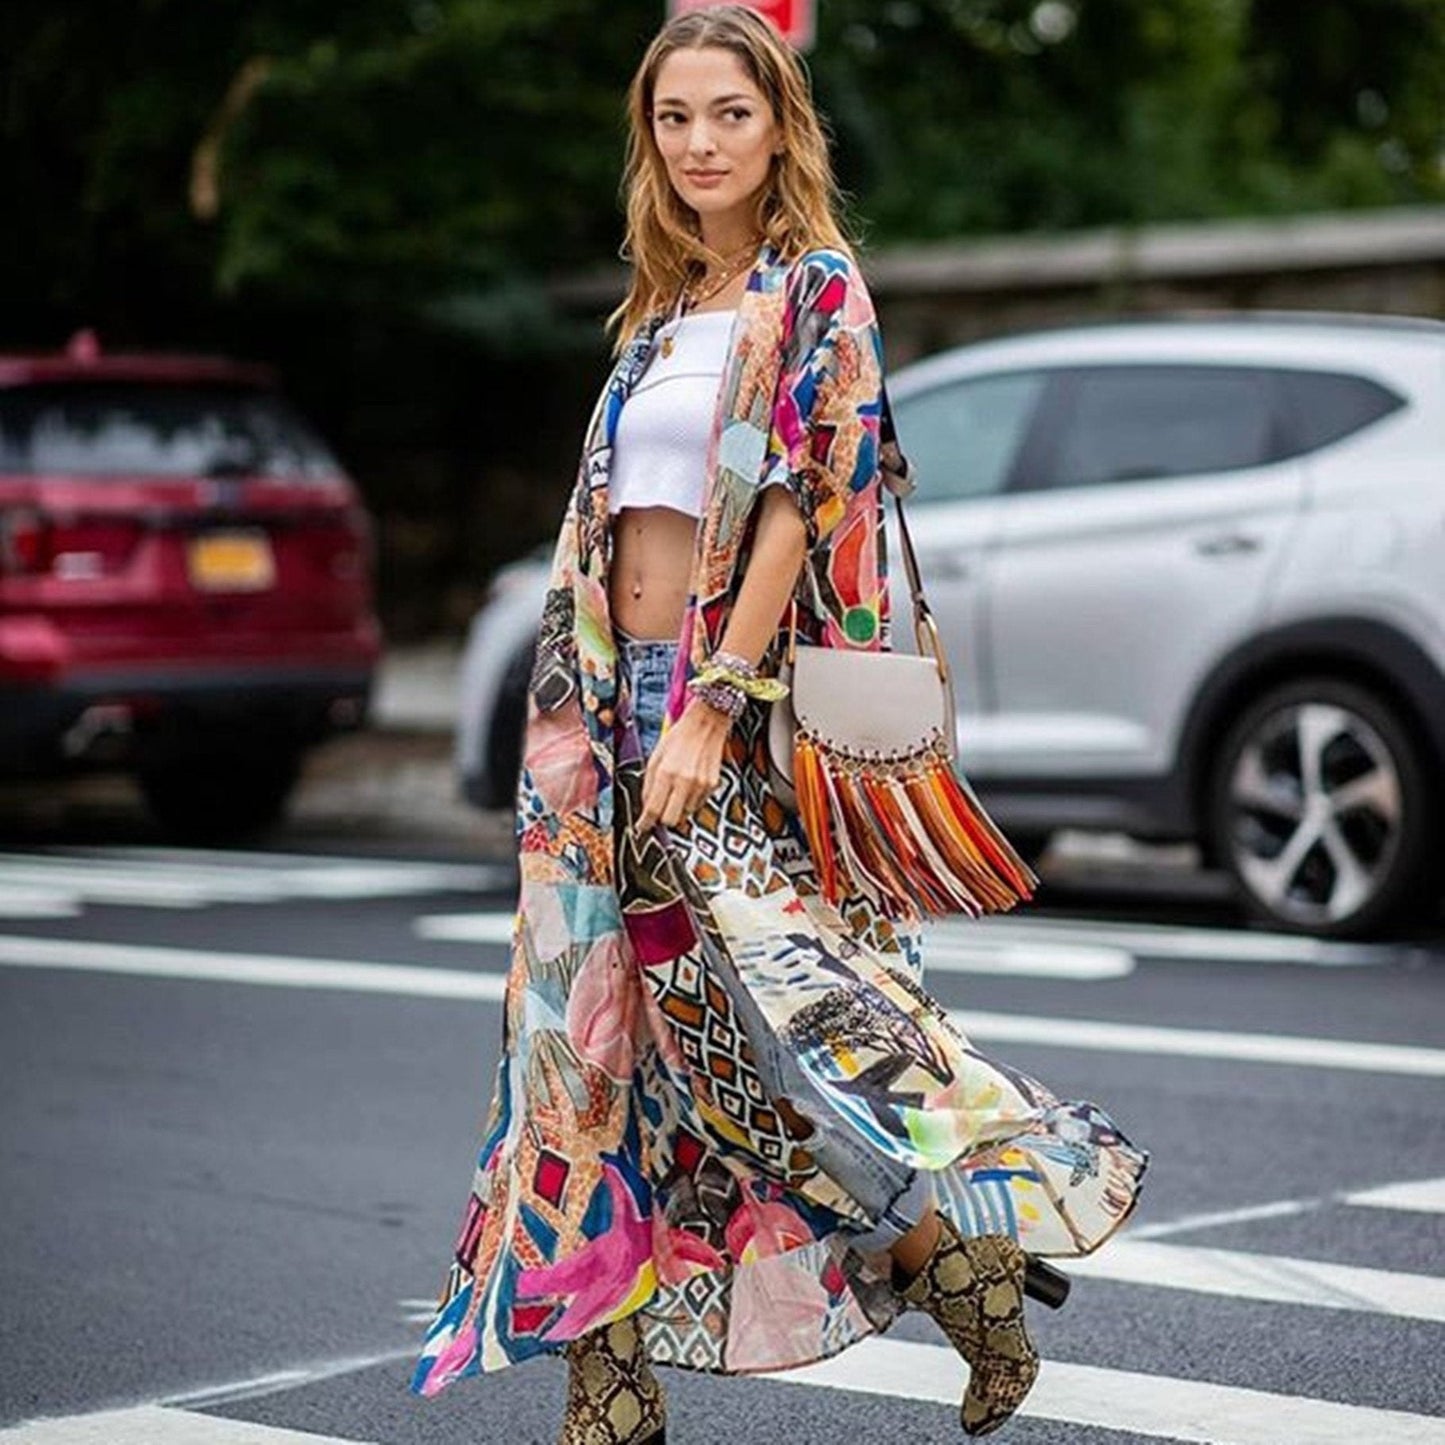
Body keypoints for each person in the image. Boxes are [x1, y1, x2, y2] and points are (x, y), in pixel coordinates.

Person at [411, 8, 1147, 1441]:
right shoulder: (659, 311)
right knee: (604, 1038)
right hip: (605, 712)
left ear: (779, 127)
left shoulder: (816, 291)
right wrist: (615, 713)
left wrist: (711, 704)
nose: (698, 142)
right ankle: (610, 1389)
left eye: (727, 114)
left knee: (792, 1024)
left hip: (717, 720)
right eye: (674, 116)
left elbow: (806, 500)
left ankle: (945, 1247)